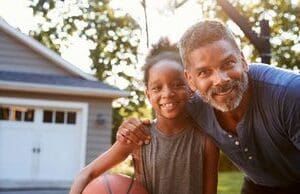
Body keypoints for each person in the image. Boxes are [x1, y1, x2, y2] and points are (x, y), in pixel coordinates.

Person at [117, 20, 300, 194]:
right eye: (204, 72)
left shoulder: (289, 95)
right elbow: (161, 121)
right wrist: (131, 129)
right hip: (260, 185)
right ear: (191, 80)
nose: (220, 80)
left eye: (228, 63)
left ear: (243, 61)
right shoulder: (192, 106)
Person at [69, 38, 219, 194]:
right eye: (157, 88)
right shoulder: (139, 135)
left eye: (178, 84)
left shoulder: (206, 140)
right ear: (148, 94)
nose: (167, 94)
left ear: (191, 86)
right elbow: (86, 174)